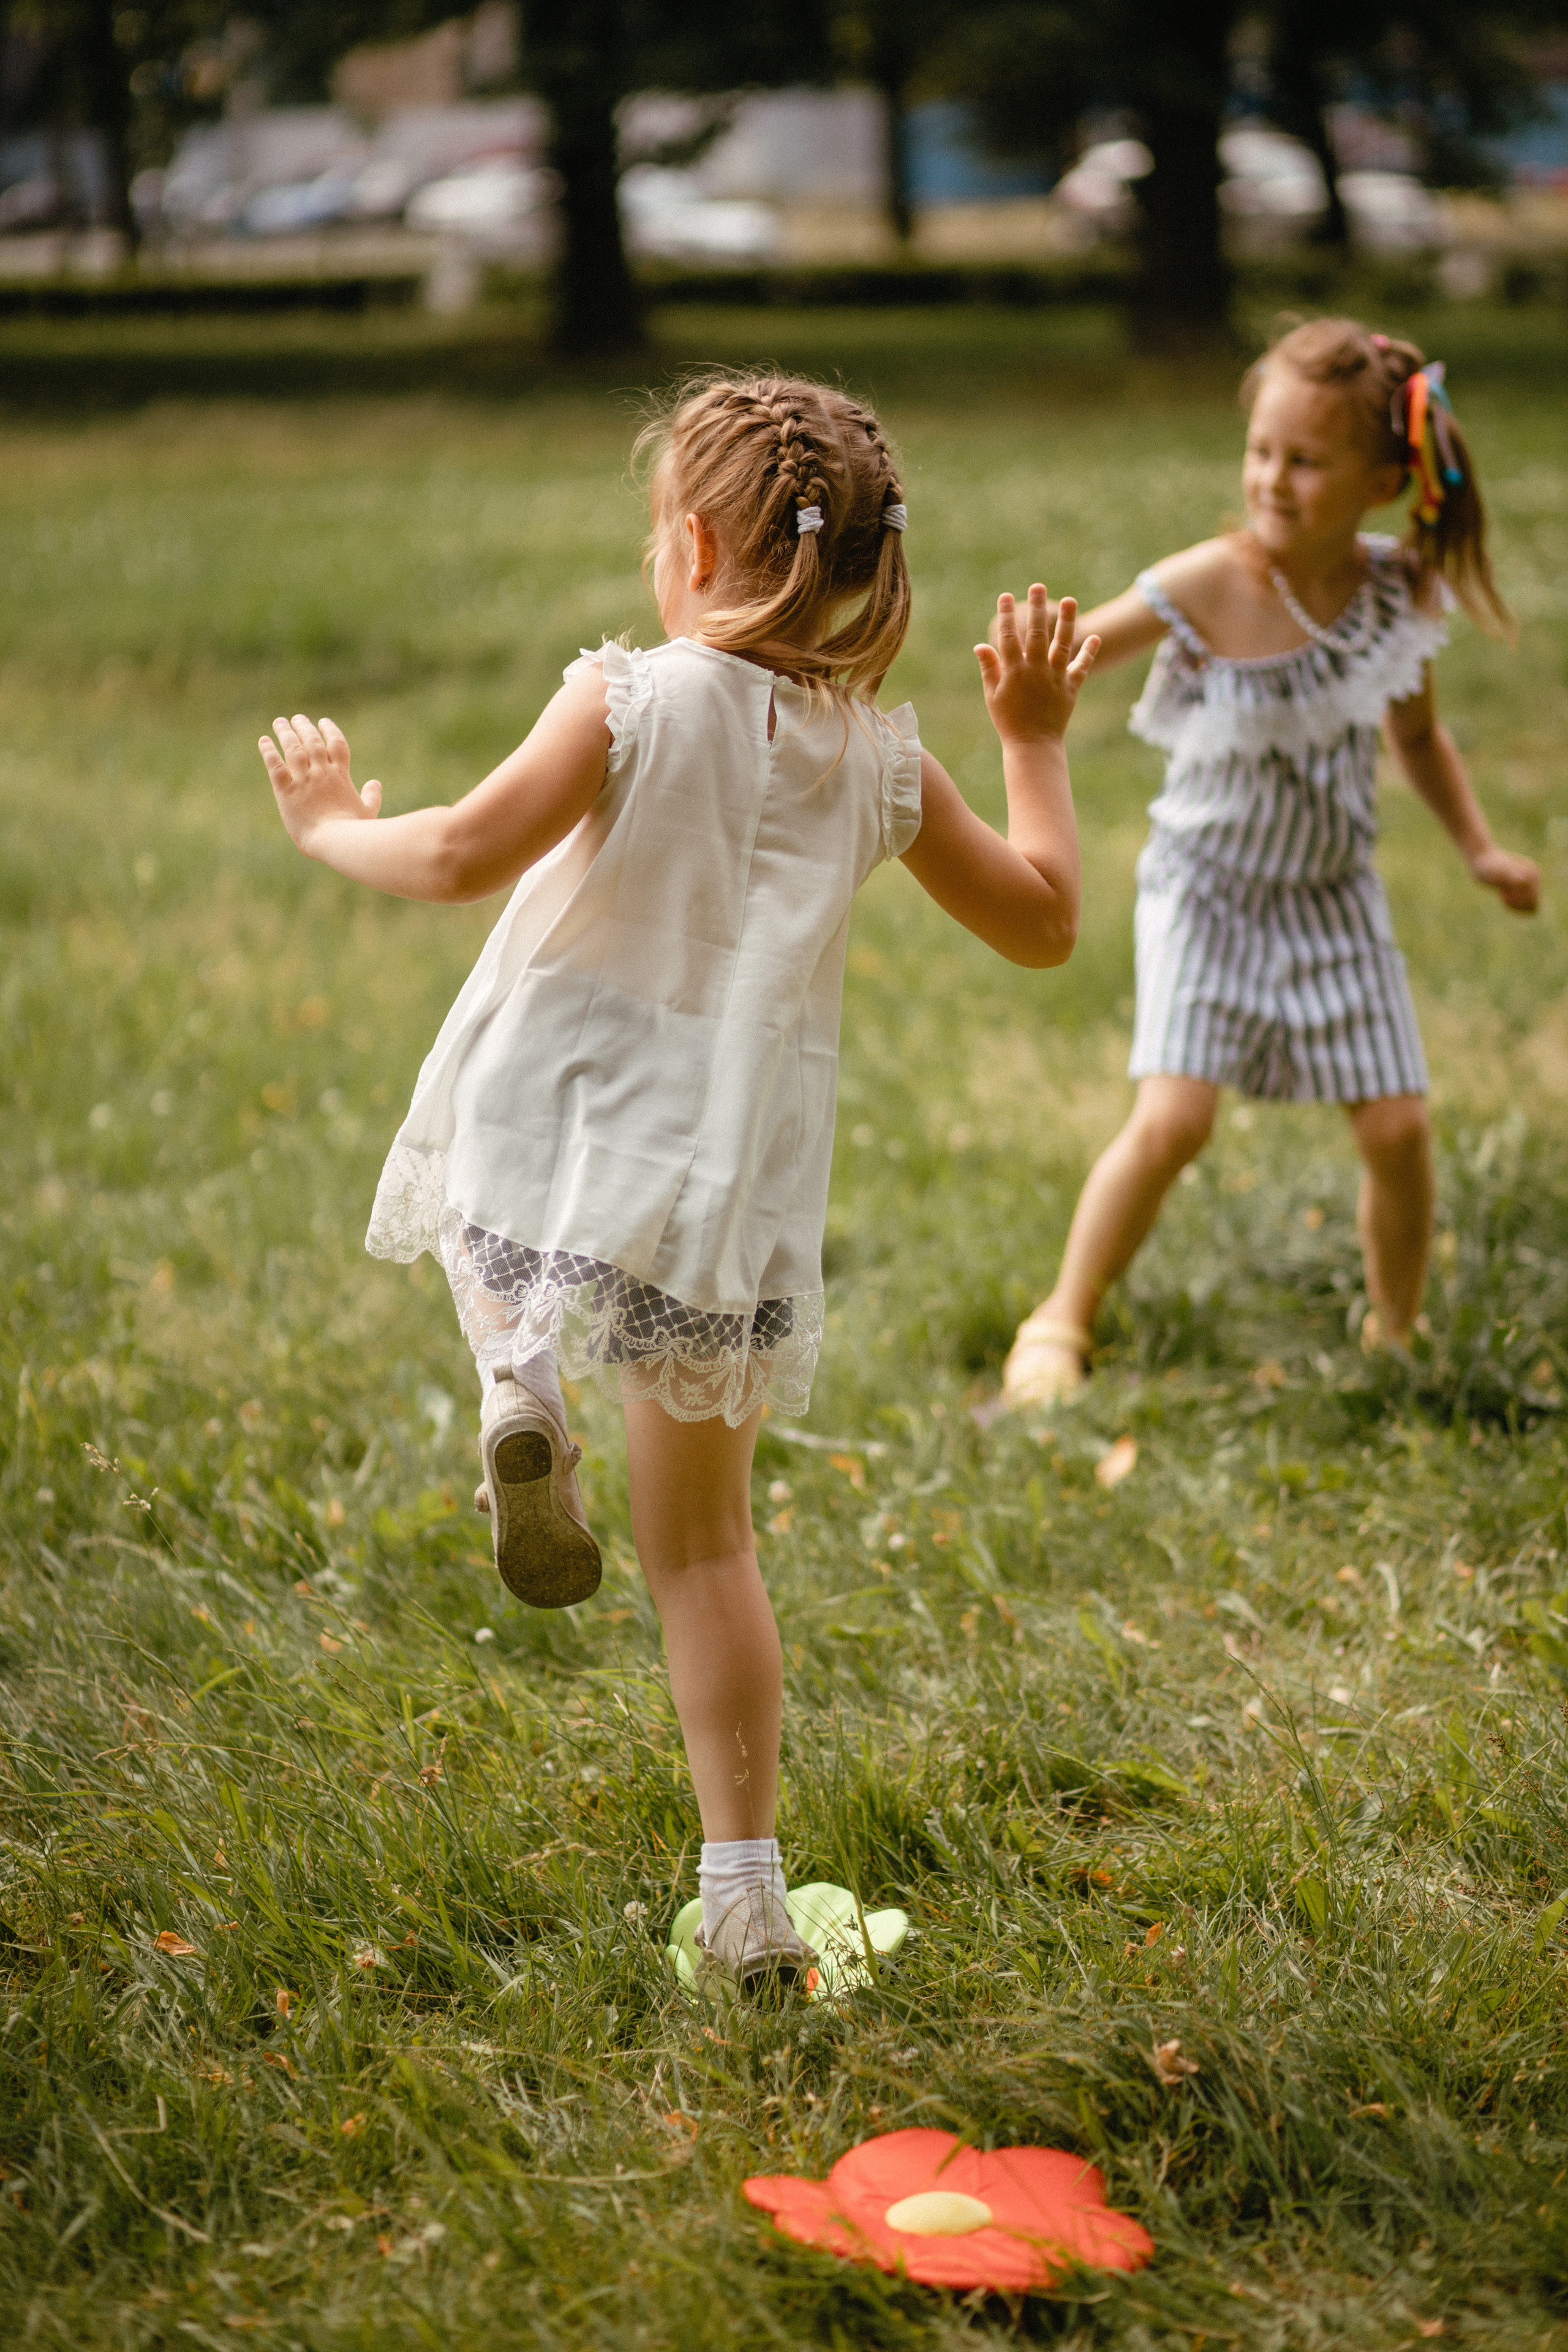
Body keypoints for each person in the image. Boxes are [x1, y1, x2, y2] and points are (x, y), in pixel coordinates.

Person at [260, 374, 1098, 1989]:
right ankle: (745, 1898)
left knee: (490, 1227)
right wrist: (1034, 740)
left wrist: (322, 829)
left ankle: (518, 1379)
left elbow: (450, 857)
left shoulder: (633, 695)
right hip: (728, 1192)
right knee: (705, 1555)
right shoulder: (883, 766)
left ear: (693, 541)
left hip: (555, 1122)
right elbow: (1048, 920)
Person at [1001, 318, 1539, 1409]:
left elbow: (1419, 737)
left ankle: (1398, 1329)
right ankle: (1060, 1318)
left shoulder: (1400, 595)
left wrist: (1479, 847)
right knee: (1174, 1121)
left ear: (1383, 482)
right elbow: (1077, 651)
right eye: (1260, 451)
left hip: (1334, 899)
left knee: (1397, 1126)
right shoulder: (1209, 582)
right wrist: (1034, 682)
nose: (1271, 479)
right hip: (1206, 895)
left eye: (1304, 459)